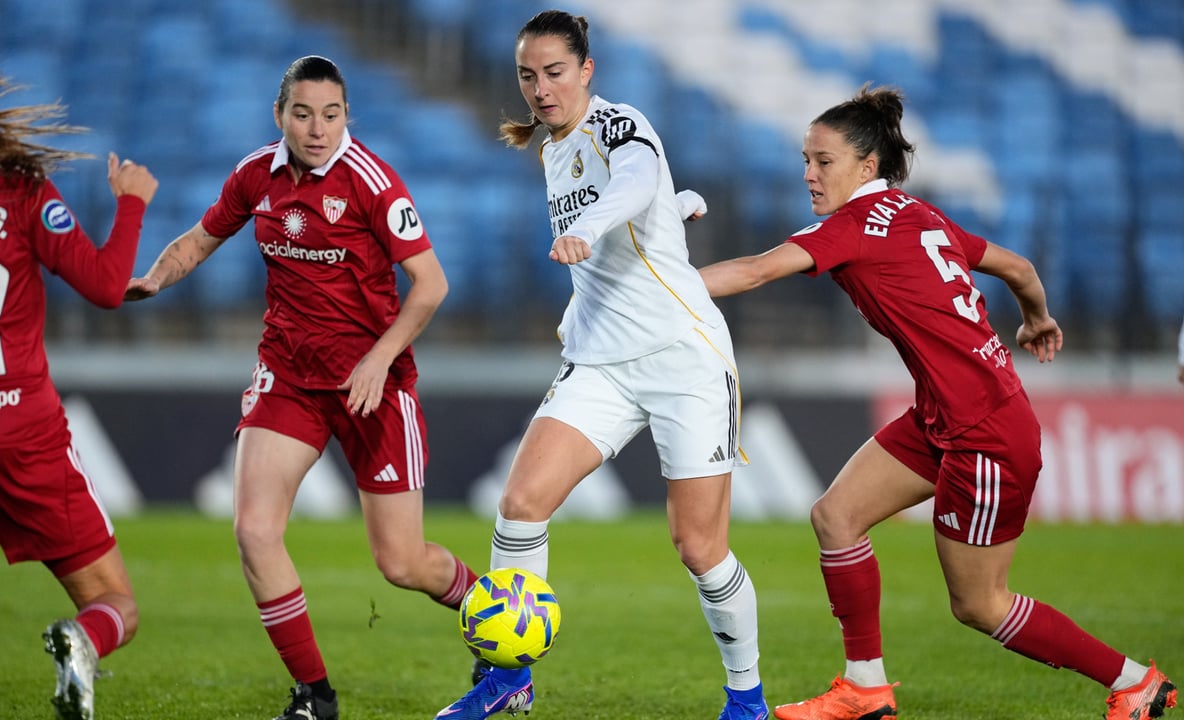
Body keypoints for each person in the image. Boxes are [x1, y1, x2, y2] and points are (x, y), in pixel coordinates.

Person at [698, 84, 1177, 720]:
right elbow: (1019, 267)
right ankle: (865, 689)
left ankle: (1134, 680)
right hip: (945, 413)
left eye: (823, 161)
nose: (809, 174)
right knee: (835, 517)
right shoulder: (918, 214)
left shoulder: (850, 228)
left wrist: (654, 292)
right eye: (805, 160)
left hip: (984, 430)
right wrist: (1035, 319)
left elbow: (756, 271)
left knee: (979, 603)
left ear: (867, 166)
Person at [433, 10, 767, 720]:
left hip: (684, 357)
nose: (541, 88)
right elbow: (644, 209)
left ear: (587, 70)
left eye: (555, 72)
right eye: (528, 75)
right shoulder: (553, 148)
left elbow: (637, 178)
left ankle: (748, 698)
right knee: (521, 507)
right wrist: (675, 210)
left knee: (699, 547)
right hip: (602, 362)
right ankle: (510, 676)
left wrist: (599, 222)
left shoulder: (618, 122)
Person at [123, 55, 479, 720]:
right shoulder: (255, 174)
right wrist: (153, 277)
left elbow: (432, 285)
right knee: (255, 530)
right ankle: (315, 695)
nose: (318, 128)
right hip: (289, 374)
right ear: (280, 116)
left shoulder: (374, 182)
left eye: (332, 114)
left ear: (348, 115)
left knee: (401, 564)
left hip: (374, 381)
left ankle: (491, 609)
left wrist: (377, 359)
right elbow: (202, 239)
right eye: (304, 113)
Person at [0, 49, 158, 720]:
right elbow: (105, 287)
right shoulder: (19, 191)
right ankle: (82, 641)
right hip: (15, 430)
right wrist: (130, 205)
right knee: (116, 605)